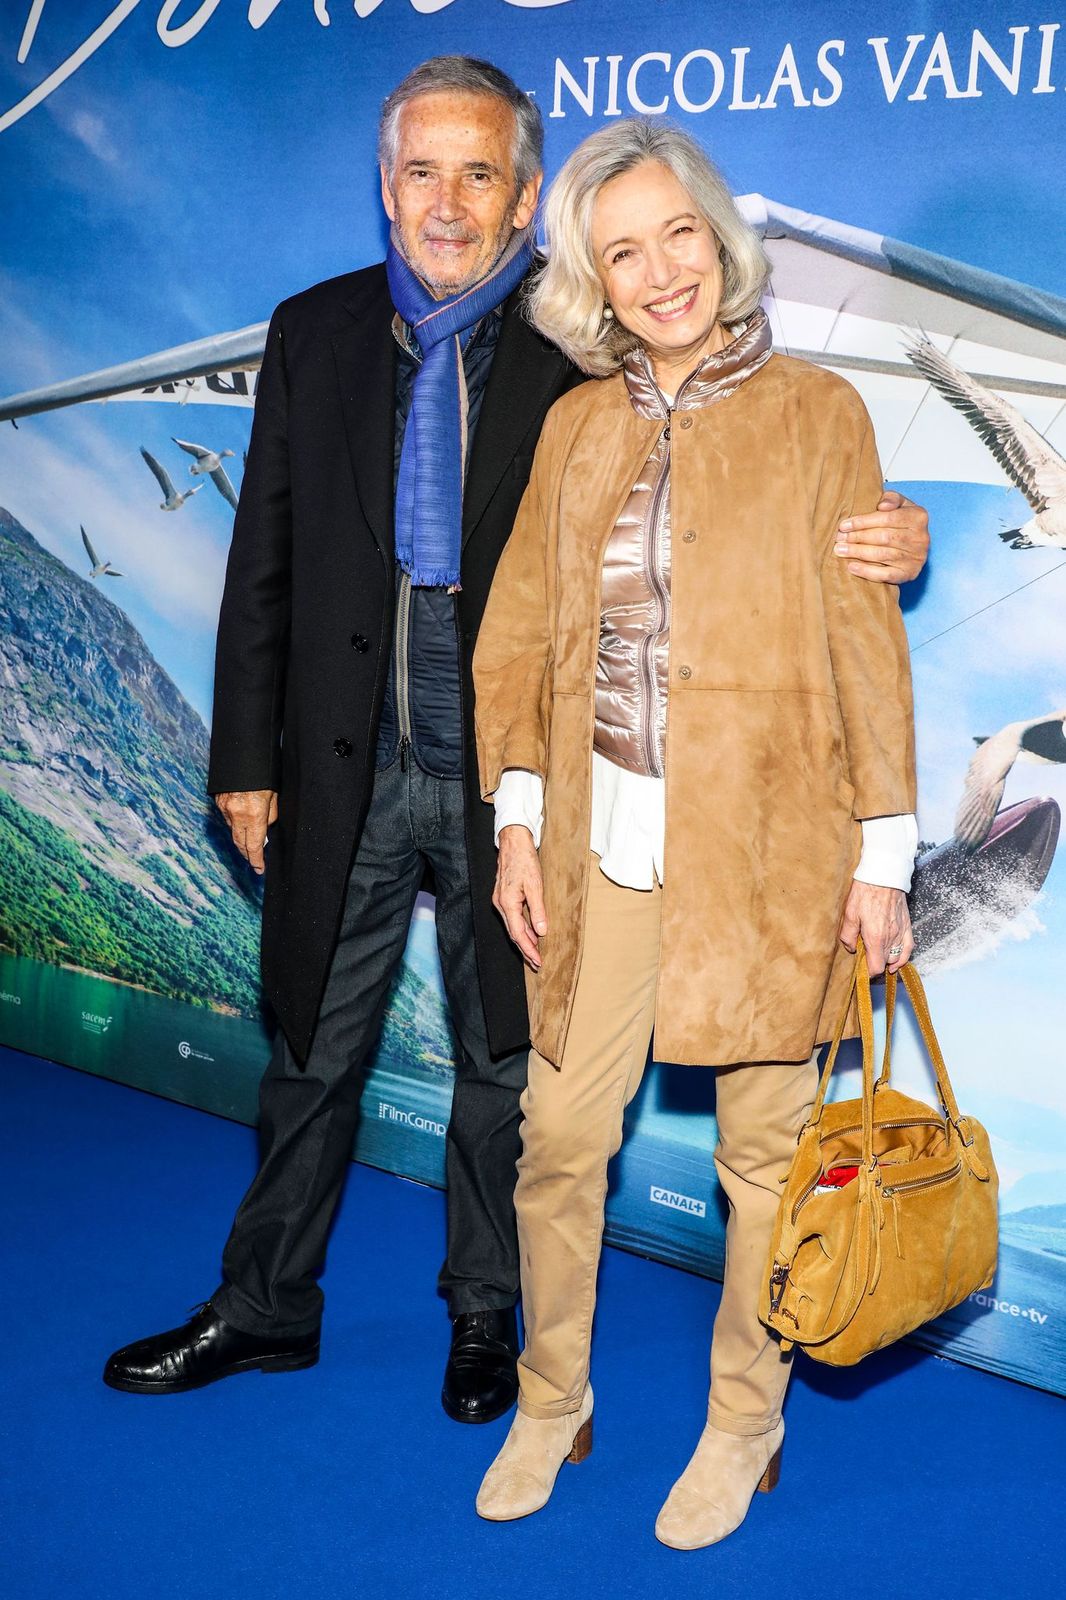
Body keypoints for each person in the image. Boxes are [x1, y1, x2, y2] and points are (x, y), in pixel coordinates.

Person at [103, 62, 929, 1423]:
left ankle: (486, 1319)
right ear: (385, 186)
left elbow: (731, 486)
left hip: (514, 786)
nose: (445, 200)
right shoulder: (309, 334)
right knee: (310, 1050)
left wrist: (892, 530)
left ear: (523, 193)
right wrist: (240, 758)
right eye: (419, 171)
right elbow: (263, 559)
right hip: (344, 770)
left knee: (508, 1077)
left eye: (477, 172)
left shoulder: (586, 356)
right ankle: (263, 1309)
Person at [472, 118, 918, 1542]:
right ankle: (555, 1401)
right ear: (589, 282)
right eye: (621, 250)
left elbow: (865, 652)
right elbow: (525, 633)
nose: (658, 270)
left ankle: (744, 1422)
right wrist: (518, 824)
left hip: (769, 851)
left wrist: (884, 857)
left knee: (763, 1160)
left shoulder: (817, 414)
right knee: (554, 1134)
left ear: (716, 239)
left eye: (676, 234)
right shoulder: (572, 424)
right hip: (603, 845)